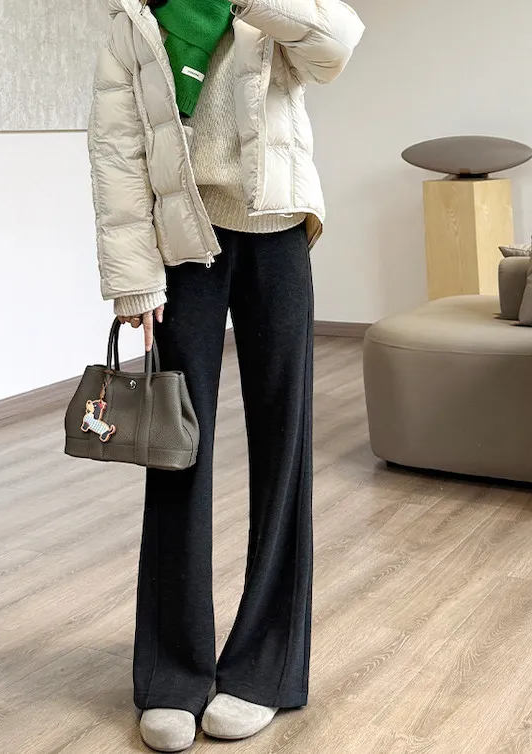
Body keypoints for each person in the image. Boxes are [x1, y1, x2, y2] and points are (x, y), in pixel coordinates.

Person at [88, 0, 364, 750]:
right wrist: (133, 280)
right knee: (177, 453)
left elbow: (336, 47)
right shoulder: (134, 19)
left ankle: (265, 669)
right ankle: (173, 674)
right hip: (186, 246)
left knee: (283, 449)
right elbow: (117, 151)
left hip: (278, 235)